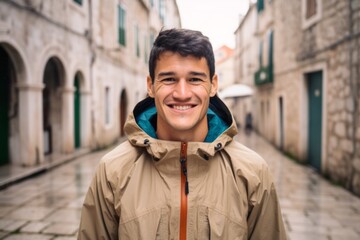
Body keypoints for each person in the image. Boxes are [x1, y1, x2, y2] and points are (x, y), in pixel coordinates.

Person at [78, 28, 286, 240]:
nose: (182, 94)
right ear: (151, 86)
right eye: (169, 79)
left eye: (195, 79)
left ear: (213, 85)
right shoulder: (113, 171)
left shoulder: (253, 173)